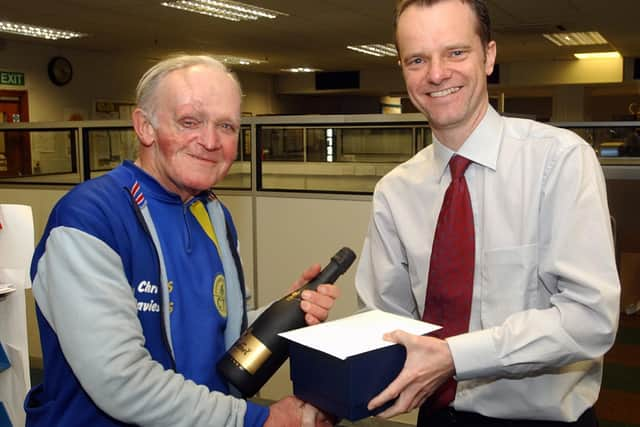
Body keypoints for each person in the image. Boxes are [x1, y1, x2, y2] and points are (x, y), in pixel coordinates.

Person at [24, 55, 339, 427]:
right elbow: (122, 380)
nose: (209, 141)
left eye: (226, 126)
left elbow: (223, 337)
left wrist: (285, 314)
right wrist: (257, 421)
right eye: (190, 122)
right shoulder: (90, 218)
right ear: (145, 127)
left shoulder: (215, 215)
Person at [355, 1, 620, 426]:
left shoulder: (559, 160)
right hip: (438, 417)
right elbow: (384, 321)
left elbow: (590, 319)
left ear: (489, 56)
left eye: (456, 52)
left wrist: (455, 357)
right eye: (417, 59)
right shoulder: (395, 191)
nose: (437, 74)